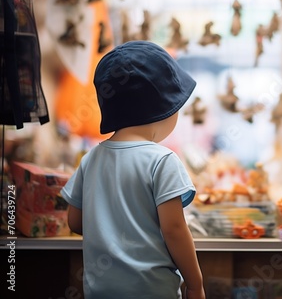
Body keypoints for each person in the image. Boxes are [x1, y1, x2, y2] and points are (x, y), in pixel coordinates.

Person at [61, 41, 205, 299]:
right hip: (152, 289)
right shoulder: (163, 160)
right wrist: (195, 284)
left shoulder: (91, 158)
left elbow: (74, 221)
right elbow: (173, 229)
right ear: (164, 107)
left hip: (99, 290)